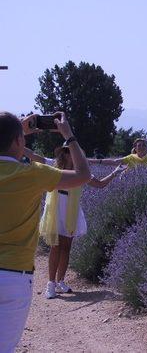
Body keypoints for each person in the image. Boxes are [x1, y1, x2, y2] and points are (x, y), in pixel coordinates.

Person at [0, 112, 90, 352]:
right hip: (13, 276)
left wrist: (16, 129)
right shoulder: (33, 174)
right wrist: (69, 136)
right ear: (19, 141)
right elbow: (84, 175)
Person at [23, 147, 126, 299]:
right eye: (67, 151)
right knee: (55, 247)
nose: (70, 154)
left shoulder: (82, 172)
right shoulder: (53, 165)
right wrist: (19, 138)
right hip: (55, 210)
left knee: (66, 247)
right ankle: (50, 284)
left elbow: (100, 184)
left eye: (73, 151)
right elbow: (34, 156)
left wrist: (115, 172)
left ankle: (61, 281)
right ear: (63, 154)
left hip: (71, 211)